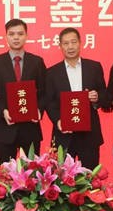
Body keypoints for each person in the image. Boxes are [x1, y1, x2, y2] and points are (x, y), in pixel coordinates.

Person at [45, 27, 109, 169]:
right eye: (66, 43)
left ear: (80, 43)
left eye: (73, 42)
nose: (70, 46)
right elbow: (49, 102)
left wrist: (96, 97)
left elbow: (104, 94)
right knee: (62, 177)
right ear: (60, 46)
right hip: (64, 134)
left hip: (89, 134)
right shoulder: (51, 72)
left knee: (90, 176)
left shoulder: (94, 67)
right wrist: (58, 120)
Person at [0, 19, 46, 163]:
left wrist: (39, 110)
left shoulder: (37, 62)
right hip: (5, 129)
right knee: (4, 173)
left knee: (32, 173)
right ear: (6, 37)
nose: (16, 37)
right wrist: (3, 111)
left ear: (26, 36)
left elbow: (45, 92)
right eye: (12, 34)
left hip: (31, 129)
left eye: (20, 34)